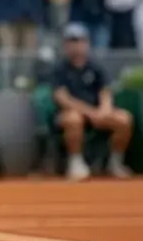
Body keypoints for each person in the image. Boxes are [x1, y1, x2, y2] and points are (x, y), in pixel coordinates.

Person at [49, 24, 133, 180]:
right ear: (65, 45)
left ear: (87, 43)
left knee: (124, 119)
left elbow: (105, 92)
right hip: (70, 114)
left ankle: (115, 163)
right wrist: (90, 112)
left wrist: (105, 110)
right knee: (73, 119)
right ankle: (75, 162)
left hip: (97, 113)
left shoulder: (96, 66)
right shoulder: (59, 68)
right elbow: (62, 98)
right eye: (71, 42)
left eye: (80, 41)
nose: (76, 46)